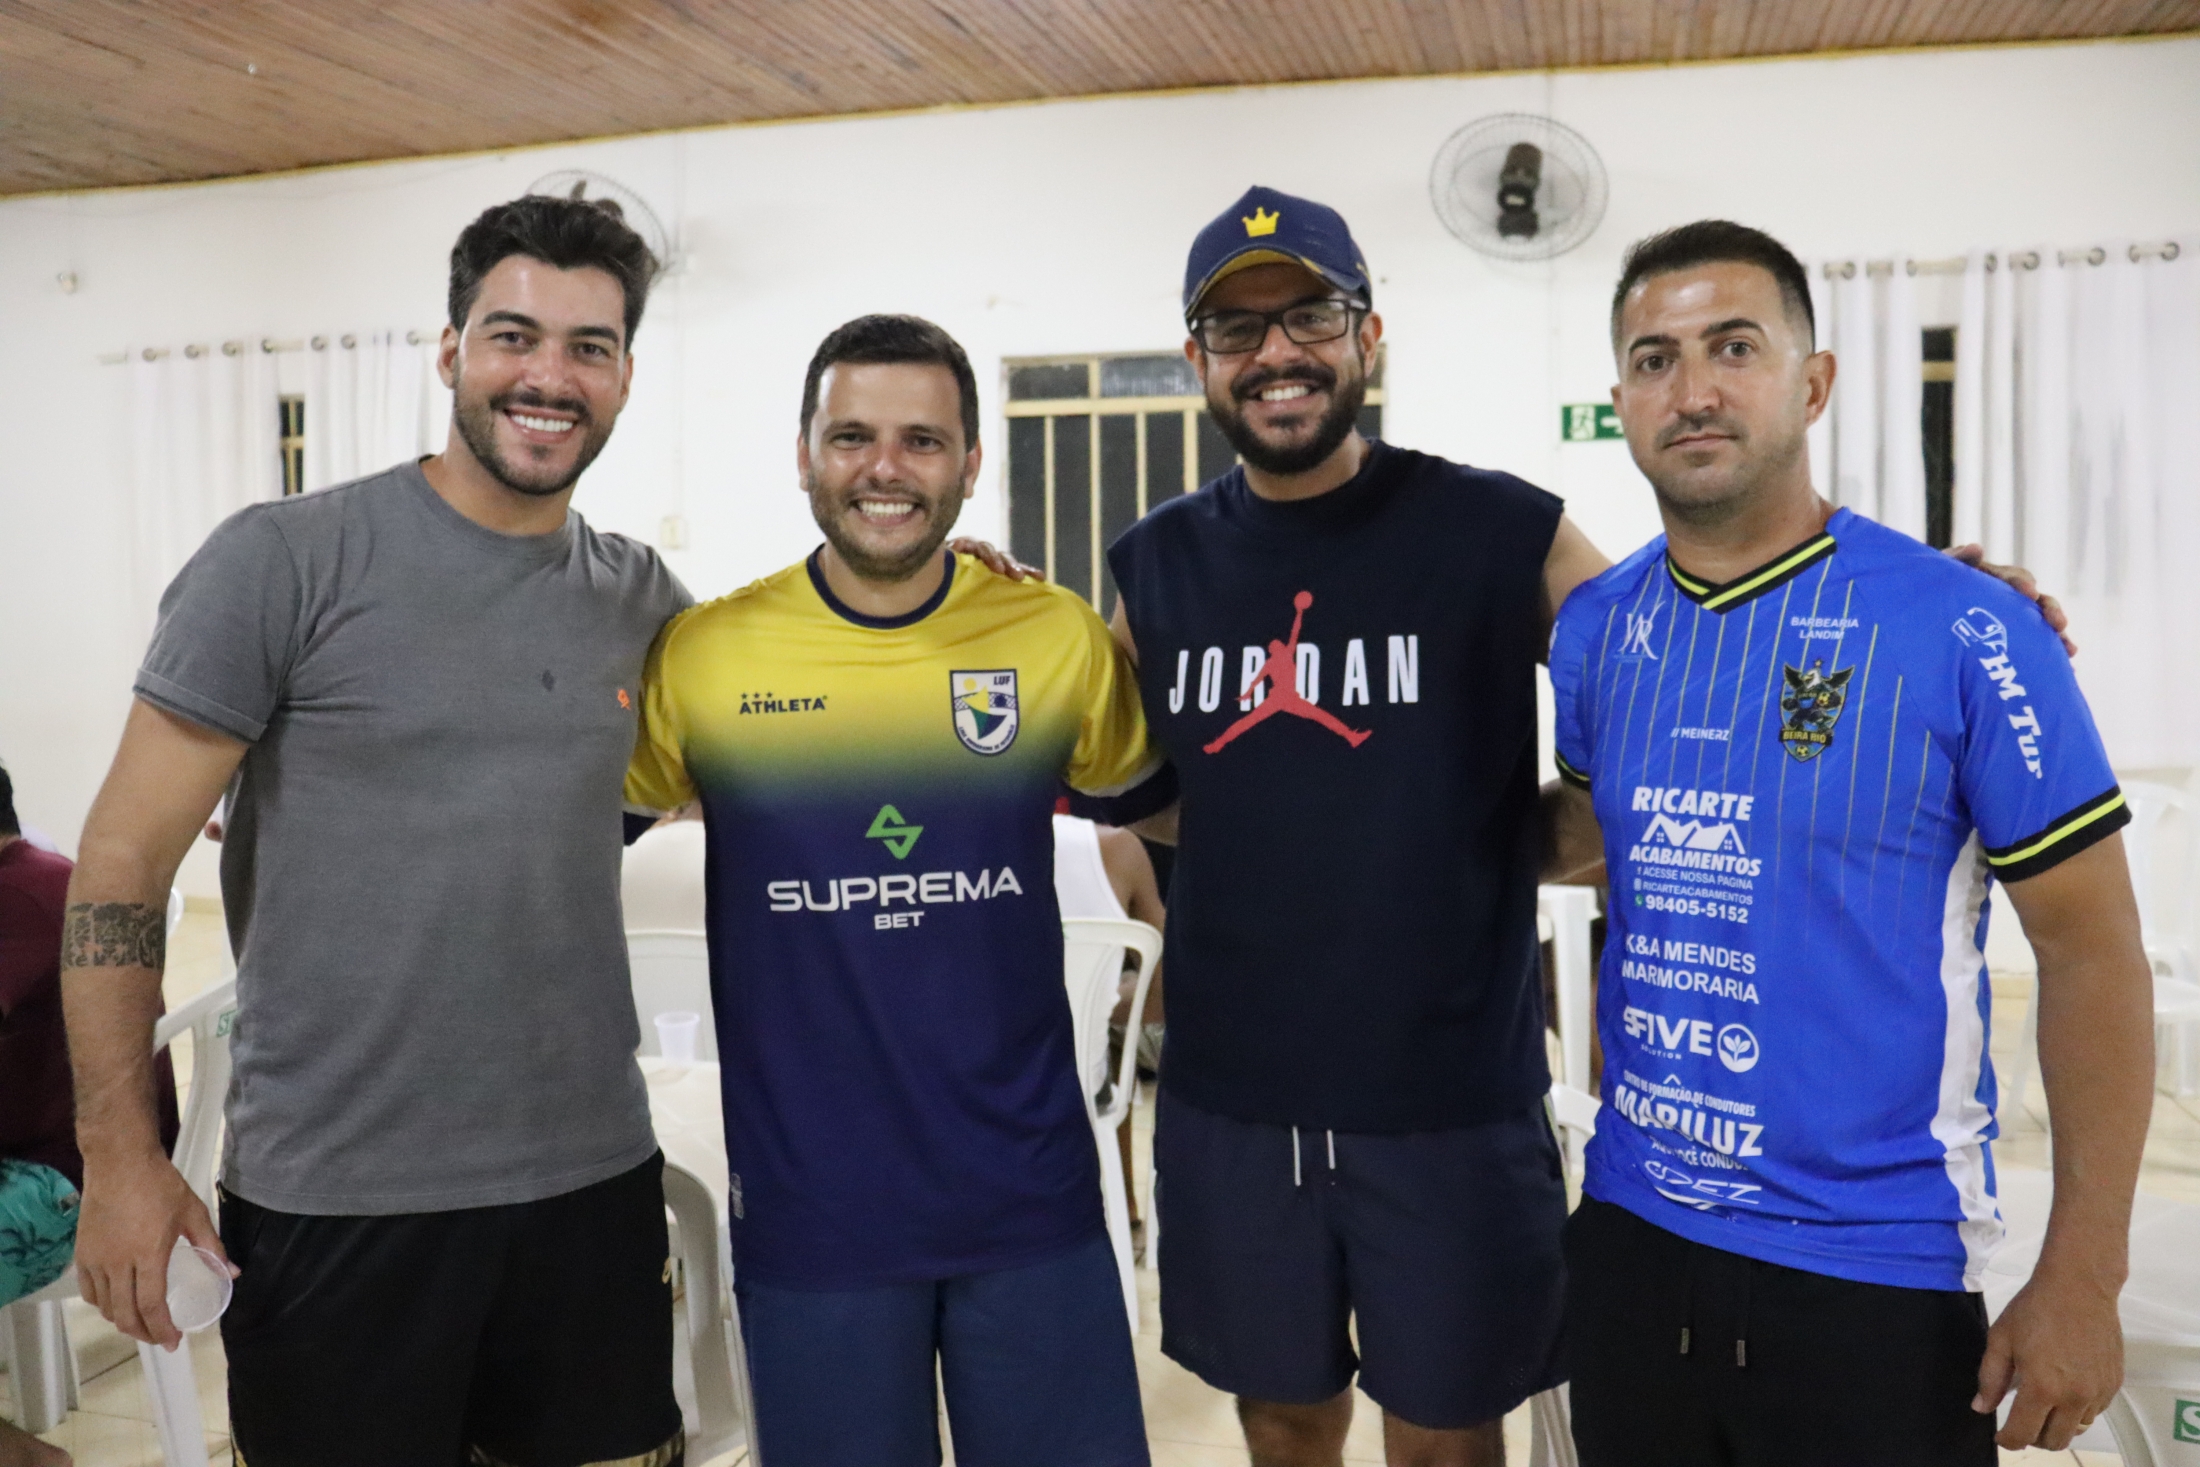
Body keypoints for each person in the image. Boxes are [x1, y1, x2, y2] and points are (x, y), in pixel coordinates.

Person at [1102, 186, 2069, 1467]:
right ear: (1198, 359)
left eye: (1311, 318)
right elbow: (1120, 780)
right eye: (1238, 329)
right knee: (1279, 1421)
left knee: (1447, 1434)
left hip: (1450, 1095)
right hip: (1236, 1099)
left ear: (1368, 335)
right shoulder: (1154, 561)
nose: (1277, 352)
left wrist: (1927, 596)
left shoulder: (1494, 527)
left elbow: (1690, 660)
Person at [60, 194, 695, 1467]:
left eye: (589, 347)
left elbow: (777, 724)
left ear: (625, 376)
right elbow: (122, 865)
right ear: (451, 350)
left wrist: (945, 586)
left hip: (587, 1186)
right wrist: (120, 1157)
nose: (549, 376)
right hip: (340, 1197)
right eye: (513, 336)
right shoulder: (285, 561)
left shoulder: (641, 601)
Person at [1546, 219, 2153, 1465]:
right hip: (1632, 1241)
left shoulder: (1968, 627)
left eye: (1733, 347)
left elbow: (2091, 952)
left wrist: (2083, 1277)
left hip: (1873, 1273)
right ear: (1621, 403)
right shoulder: (1598, 630)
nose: (1692, 389)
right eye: (1654, 359)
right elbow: (1592, 833)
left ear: (1812, 382)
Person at [624, 314, 1169, 1467]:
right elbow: (571, 838)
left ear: (971, 463)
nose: (885, 467)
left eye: (922, 440)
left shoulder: (1052, 634)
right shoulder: (706, 653)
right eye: (852, 436)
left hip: (1028, 1199)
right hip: (813, 1212)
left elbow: (1165, 815)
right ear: (804, 454)